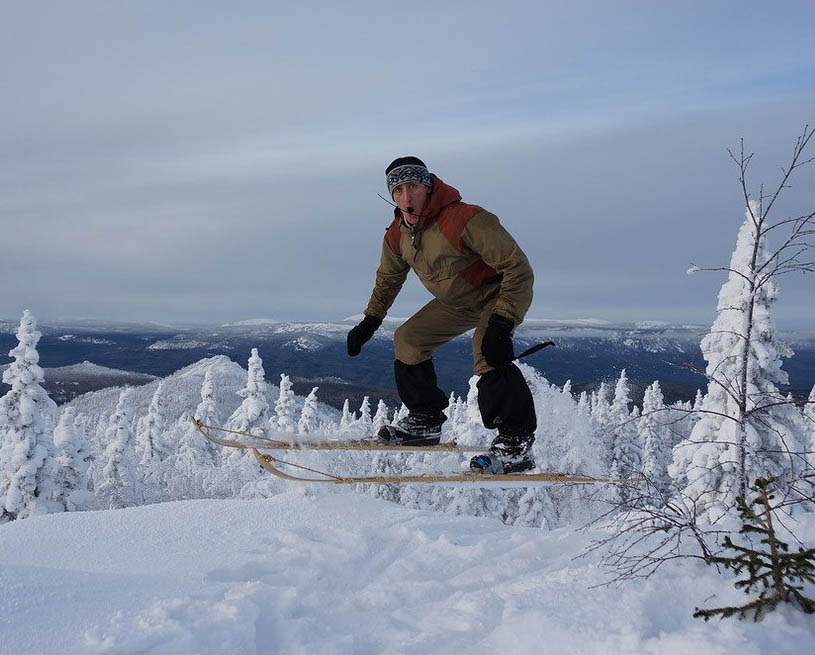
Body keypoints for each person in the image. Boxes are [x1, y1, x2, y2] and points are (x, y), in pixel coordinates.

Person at [346, 156, 537, 474]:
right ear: (391, 195)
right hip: (457, 301)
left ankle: (515, 442)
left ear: (428, 186)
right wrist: (371, 320)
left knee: (487, 352)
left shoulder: (466, 219)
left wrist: (502, 321)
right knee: (408, 340)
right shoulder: (397, 234)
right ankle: (426, 421)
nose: (407, 197)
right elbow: (388, 279)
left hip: (497, 292)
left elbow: (518, 268)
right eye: (399, 190)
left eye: (414, 187)